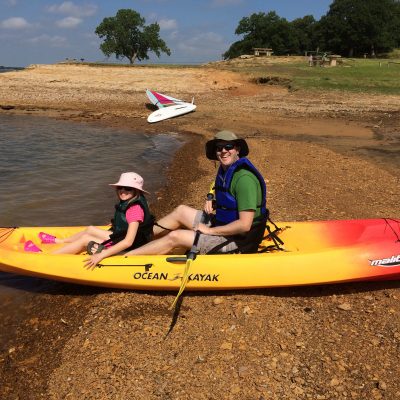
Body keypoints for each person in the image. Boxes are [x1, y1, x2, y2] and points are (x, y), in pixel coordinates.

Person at [126, 130, 268, 256]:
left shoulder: (244, 180)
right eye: (219, 148)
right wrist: (214, 201)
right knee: (181, 211)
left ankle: (126, 257)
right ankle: (136, 238)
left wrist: (210, 231)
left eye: (228, 146)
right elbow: (227, 197)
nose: (223, 150)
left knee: (176, 236)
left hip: (239, 241)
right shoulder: (226, 171)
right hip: (223, 225)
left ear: (237, 149)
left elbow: (244, 225)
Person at [24, 172, 154, 268]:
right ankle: (60, 241)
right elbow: (128, 224)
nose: (123, 191)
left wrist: (101, 255)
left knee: (85, 240)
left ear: (136, 190)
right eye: (120, 187)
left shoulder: (134, 209)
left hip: (129, 248)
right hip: (124, 237)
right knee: (90, 229)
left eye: (128, 188)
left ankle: (46, 257)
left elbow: (128, 242)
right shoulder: (133, 201)